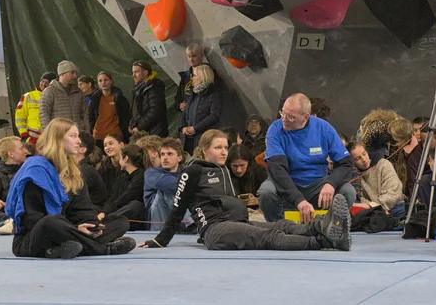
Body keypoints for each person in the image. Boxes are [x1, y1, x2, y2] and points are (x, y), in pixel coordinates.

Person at [142, 129, 351, 251]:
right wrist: (160, 240)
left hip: (237, 222)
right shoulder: (193, 171)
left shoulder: (224, 170)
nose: (224, 152)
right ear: (204, 150)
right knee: (270, 235)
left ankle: (324, 225)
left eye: (225, 147)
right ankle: (326, 241)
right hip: (216, 229)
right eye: (218, 148)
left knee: (283, 224)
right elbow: (178, 208)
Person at [6, 118, 135, 258]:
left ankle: (58, 250)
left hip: (68, 229)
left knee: (120, 222)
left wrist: (92, 226)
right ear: (58, 139)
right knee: (50, 222)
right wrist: (75, 229)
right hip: (35, 236)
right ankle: (103, 249)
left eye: (77, 136)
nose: (78, 141)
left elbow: (82, 210)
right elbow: (32, 219)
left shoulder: (73, 172)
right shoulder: (36, 170)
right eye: (73, 136)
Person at [258, 94, 357, 222]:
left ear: (305, 117)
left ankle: (331, 226)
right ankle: (278, 227)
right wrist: (298, 200)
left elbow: (346, 164)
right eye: (283, 113)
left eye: (290, 117)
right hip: (287, 183)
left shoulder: (324, 128)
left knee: (348, 191)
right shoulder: (275, 130)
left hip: (318, 185)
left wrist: (331, 184)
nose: (284, 119)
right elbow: (277, 170)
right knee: (266, 192)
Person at [349, 141, 405, 219]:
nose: (364, 159)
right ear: (353, 162)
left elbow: (393, 194)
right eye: (358, 158)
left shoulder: (384, 164)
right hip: (374, 212)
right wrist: (374, 209)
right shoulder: (356, 176)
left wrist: (372, 207)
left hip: (393, 208)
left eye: (364, 154)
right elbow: (361, 198)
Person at [181, 63, 223, 154]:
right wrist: (183, 127)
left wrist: (195, 128)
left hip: (204, 139)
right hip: (188, 140)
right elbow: (185, 113)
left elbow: (214, 116)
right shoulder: (193, 94)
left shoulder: (214, 94)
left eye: (195, 76)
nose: (192, 78)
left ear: (203, 76)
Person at [145, 138, 189, 224]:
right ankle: (191, 223)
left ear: (179, 158)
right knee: (166, 191)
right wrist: (191, 185)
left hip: (179, 219)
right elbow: (166, 184)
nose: (165, 158)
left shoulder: (186, 173)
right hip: (158, 219)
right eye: (162, 154)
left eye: (169, 154)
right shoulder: (151, 173)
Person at [40, 61, 89, 135]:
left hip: (78, 134)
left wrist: (87, 133)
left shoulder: (78, 92)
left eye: (75, 73)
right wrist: (50, 134)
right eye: (72, 73)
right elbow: (44, 114)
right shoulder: (49, 92)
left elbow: (85, 114)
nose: (75, 76)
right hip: (59, 135)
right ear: (62, 74)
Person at [87, 71, 132, 143]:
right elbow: (90, 117)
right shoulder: (94, 99)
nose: (103, 83)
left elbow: (126, 116)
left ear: (111, 81)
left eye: (106, 80)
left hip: (115, 135)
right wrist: (92, 130)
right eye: (100, 81)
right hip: (98, 136)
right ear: (97, 83)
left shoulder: (119, 98)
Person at [129, 61, 169, 137]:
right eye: (133, 72)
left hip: (154, 135)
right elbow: (136, 111)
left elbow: (154, 112)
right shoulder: (138, 89)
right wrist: (132, 125)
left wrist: (139, 127)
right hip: (143, 134)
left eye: (136, 72)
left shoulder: (154, 88)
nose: (133, 75)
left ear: (145, 72)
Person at [15, 72, 53, 145]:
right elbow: (19, 117)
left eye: (47, 82)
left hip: (47, 139)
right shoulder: (28, 96)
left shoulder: (54, 98)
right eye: (42, 81)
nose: (43, 84)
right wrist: (24, 135)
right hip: (31, 138)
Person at [226, 142, 264, 208]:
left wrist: (258, 201)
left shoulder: (258, 171)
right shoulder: (223, 173)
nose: (239, 170)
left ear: (248, 163)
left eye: (242, 165)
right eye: (234, 166)